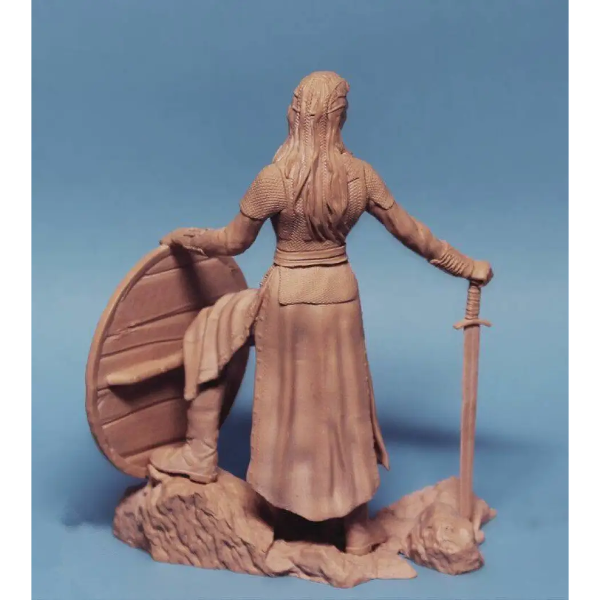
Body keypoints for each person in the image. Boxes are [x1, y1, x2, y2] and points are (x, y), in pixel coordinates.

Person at [153, 71, 493, 555]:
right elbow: (414, 234)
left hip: (288, 298)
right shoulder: (360, 176)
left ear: (296, 114)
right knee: (344, 407)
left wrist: (188, 238)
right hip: (339, 297)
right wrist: (468, 266)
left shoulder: (274, 179)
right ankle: (355, 529)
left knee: (251, 370)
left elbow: (232, 241)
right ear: (340, 118)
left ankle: (210, 460)